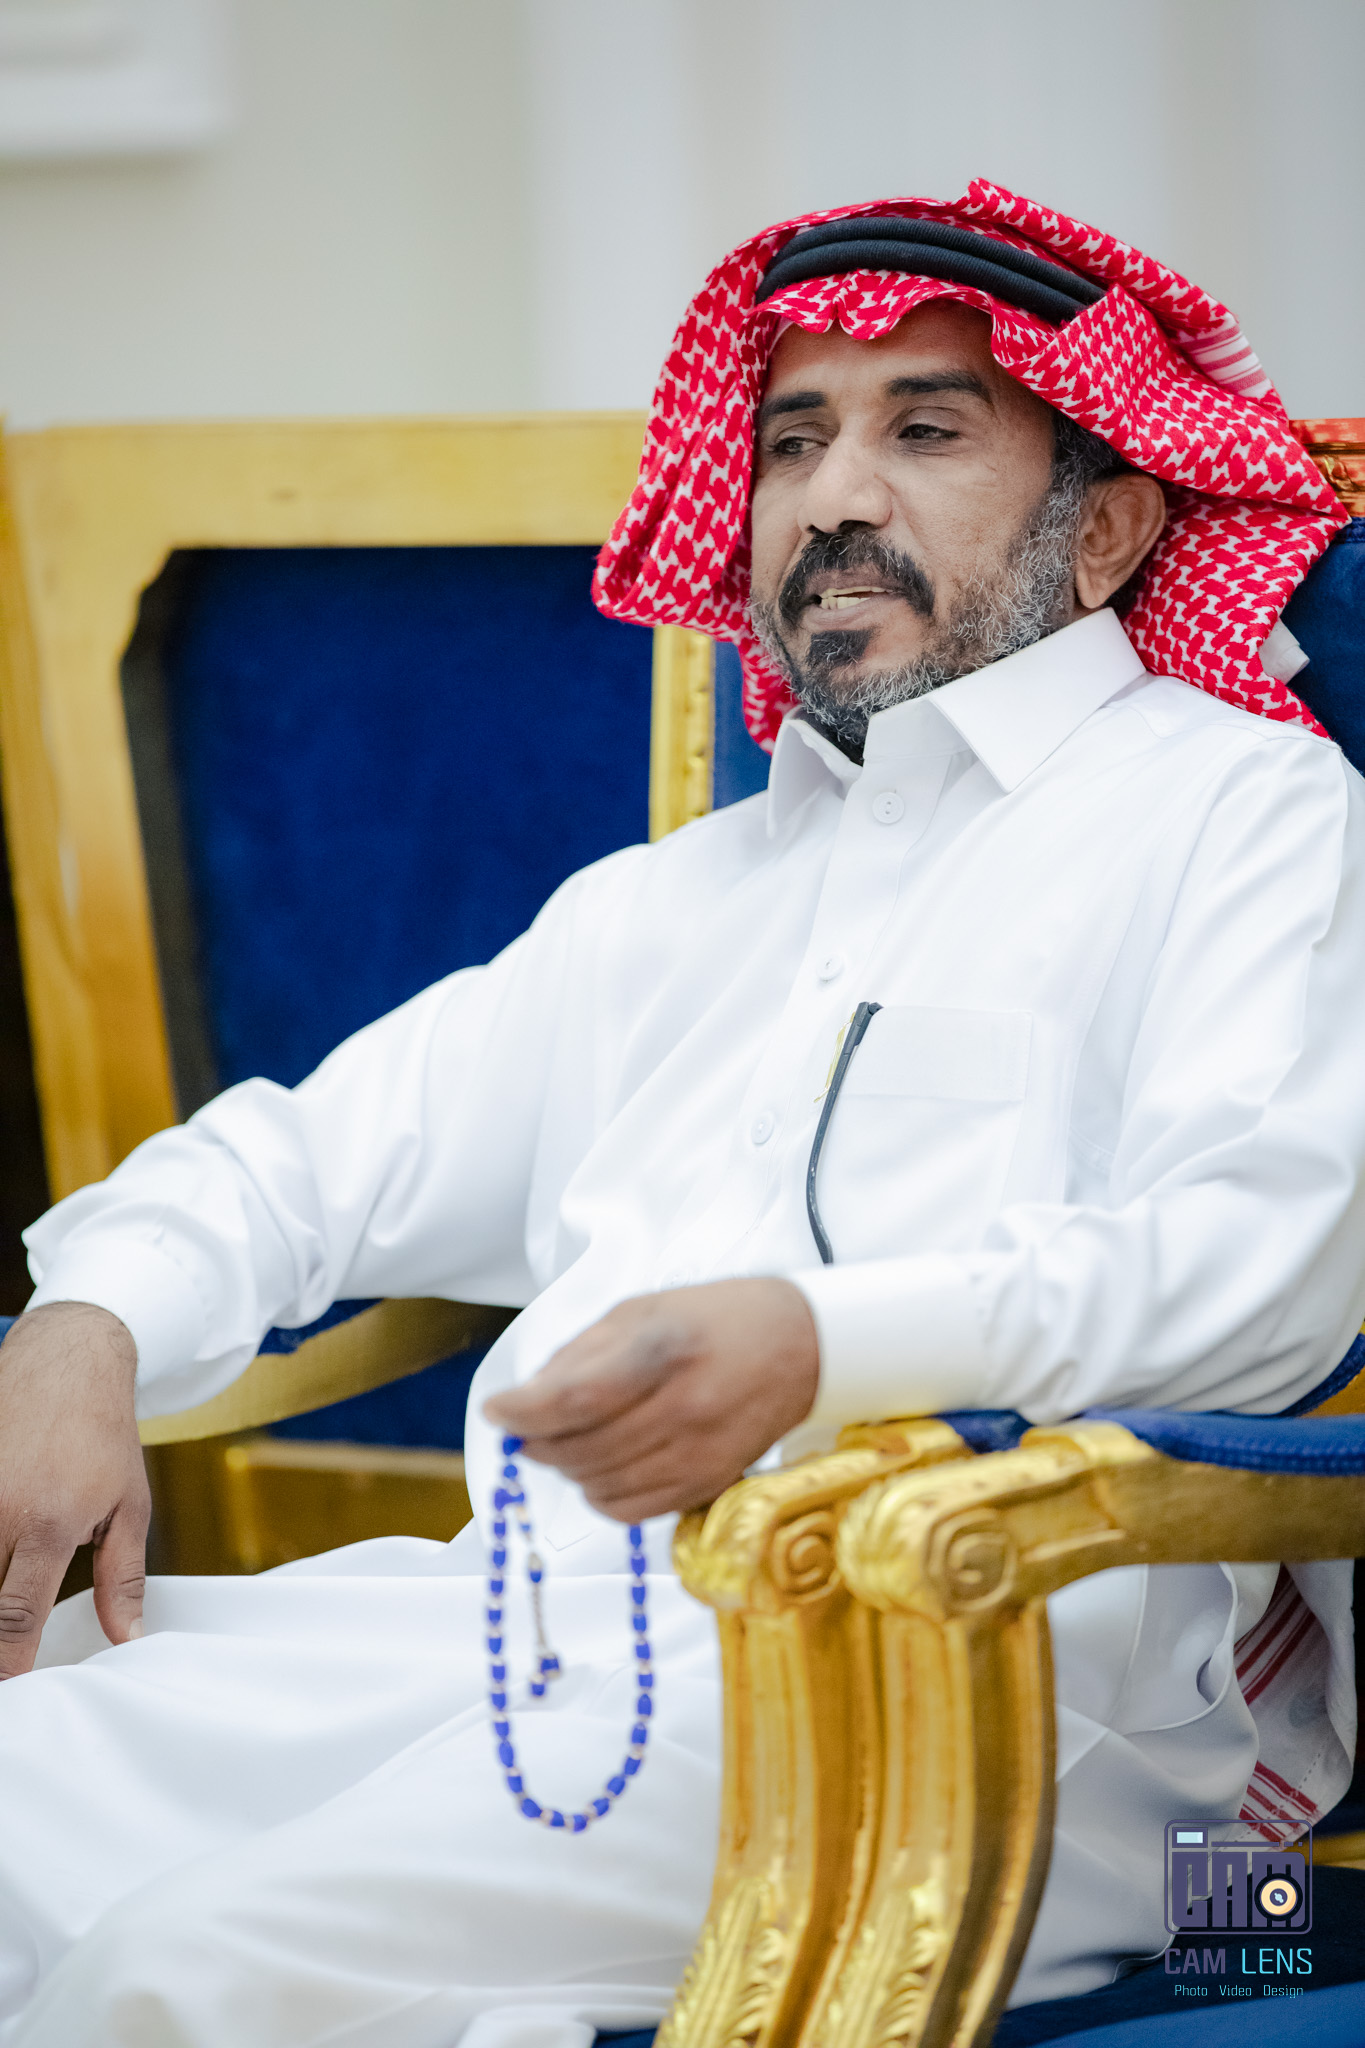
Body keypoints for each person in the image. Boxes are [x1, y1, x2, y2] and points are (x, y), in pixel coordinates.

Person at [0, 180, 1362, 2046]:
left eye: (926, 430)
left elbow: (1267, 1264)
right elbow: (298, 1166)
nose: (833, 495)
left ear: (1112, 527)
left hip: (984, 1694)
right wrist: (84, 1326)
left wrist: (821, 1343)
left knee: (188, 1977)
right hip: (524, 1639)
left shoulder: (1241, 816)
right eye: (790, 440)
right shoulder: (668, 905)